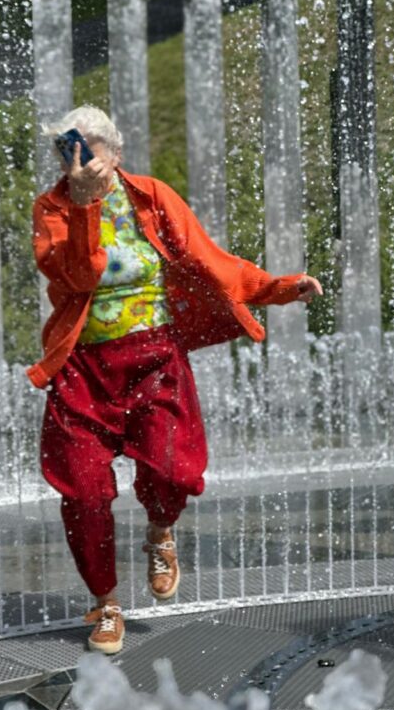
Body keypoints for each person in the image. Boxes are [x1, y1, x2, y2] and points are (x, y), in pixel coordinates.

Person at [28, 105, 322, 654]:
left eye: (89, 151)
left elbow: (211, 261)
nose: (78, 163)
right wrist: (85, 207)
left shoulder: (152, 196)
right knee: (84, 493)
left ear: (115, 153)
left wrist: (277, 288)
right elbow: (77, 275)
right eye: (68, 152)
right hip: (83, 370)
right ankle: (105, 603)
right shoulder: (52, 210)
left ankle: (161, 529)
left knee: (173, 470)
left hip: (154, 358)